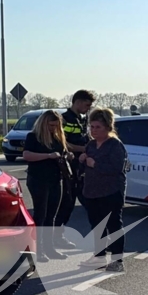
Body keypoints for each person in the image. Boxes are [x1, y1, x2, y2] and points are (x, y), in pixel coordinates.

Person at [80, 109, 130, 273]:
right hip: (92, 192)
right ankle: (99, 257)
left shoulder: (115, 145)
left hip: (111, 191)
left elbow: (116, 169)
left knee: (114, 225)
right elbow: (85, 166)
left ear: (108, 127)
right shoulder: (91, 145)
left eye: (98, 127)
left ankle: (117, 260)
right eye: (91, 127)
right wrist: (82, 161)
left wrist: (95, 164)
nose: (93, 130)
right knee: (97, 226)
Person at [22, 110, 71, 262]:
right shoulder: (33, 137)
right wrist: (48, 156)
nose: (53, 128)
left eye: (56, 125)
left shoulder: (57, 137)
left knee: (51, 216)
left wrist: (67, 155)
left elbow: (63, 151)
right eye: (51, 125)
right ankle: (38, 250)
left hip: (56, 179)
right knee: (40, 215)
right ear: (44, 123)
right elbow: (27, 155)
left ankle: (50, 249)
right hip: (38, 179)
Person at [55, 90, 96, 247]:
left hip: (79, 167)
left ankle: (58, 236)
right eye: (87, 105)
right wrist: (83, 149)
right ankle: (56, 237)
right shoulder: (64, 119)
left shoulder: (82, 119)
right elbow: (62, 143)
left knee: (73, 203)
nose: (88, 108)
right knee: (66, 203)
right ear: (78, 102)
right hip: (68, 167)